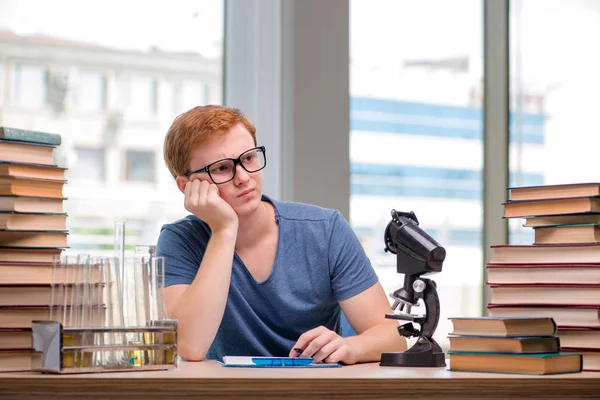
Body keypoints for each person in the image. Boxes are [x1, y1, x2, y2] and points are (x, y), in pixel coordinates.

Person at [157, 105, 406, 364]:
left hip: (315, 391)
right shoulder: (180, 240)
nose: (243, 177)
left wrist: (350, 347)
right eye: (221, 168)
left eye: (249, 159)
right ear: (187, 186)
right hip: (230, 393)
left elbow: (394, 336)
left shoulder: (325, 229)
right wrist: (223, 230)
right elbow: (190, 346)